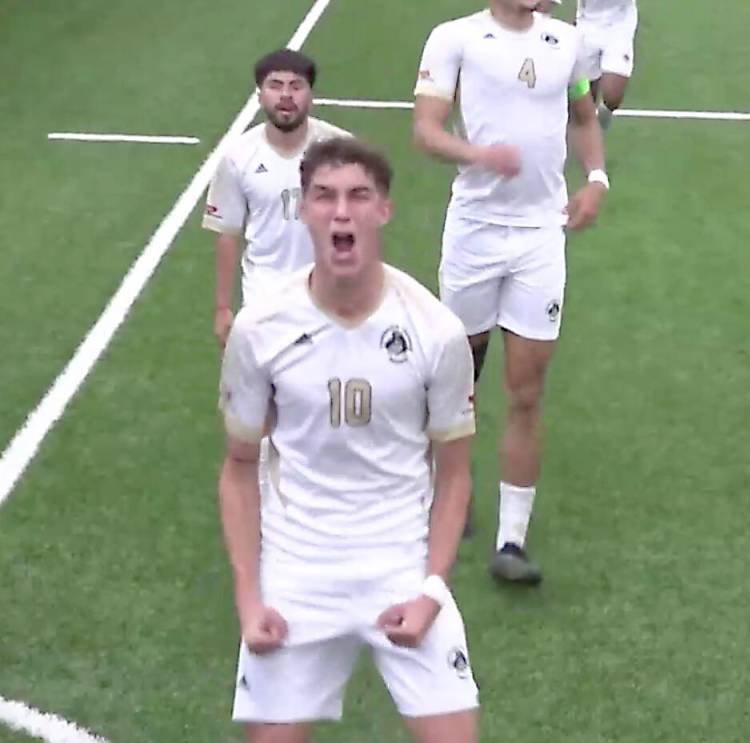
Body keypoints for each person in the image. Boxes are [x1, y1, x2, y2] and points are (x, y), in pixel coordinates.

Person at [218, 137, 479, 743]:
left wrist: (432, 590)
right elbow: (238, 468)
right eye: (324, 196)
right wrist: (249, 598)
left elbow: (455, 474)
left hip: (400, 563)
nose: (341, 212)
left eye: (359, 195)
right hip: (297, 569)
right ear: (304, 209)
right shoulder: (260, 329)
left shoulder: (437, 331)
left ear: (384, 210)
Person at [413, 0, 609, 584]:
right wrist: (478, 155)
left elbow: (583, 116)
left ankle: (512, 541)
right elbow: (426, 130)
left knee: (526, 390)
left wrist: (596, 178)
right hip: (474, 231)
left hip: (540, 236)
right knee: (457, 379)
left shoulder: (568, 44)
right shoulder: (455, 38)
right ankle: (451, 489)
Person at [204, 48, 351, 346]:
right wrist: (223, 308)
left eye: (296, 86)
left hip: (330, 294)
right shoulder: (237, 156)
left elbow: (363, 225)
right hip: (264, 298)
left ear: (310, 95)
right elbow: (227, 233)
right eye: (275, 86)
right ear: (260, 96)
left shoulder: (342, 150)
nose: (286, 95)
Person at [575, 0, 638, 130]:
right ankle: (589, 131)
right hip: (587, 24)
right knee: (584, 99)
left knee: (612, 97)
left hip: (619, 25)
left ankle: (604, 115)